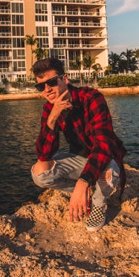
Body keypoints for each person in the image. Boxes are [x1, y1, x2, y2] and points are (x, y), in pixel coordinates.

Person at [31, 57, 126, 232]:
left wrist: (83, 183)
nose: (47, 90)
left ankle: (98, 201)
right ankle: (85, 192)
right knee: (39, 172)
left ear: (65, 79)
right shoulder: (49, 109)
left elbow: (104, 146)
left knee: (109, 173)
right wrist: (53, 117)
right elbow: (44, 155)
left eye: (51, 82)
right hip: (79, 160)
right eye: (41, 86)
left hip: (105, 159)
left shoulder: (91, 98)